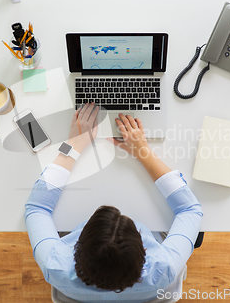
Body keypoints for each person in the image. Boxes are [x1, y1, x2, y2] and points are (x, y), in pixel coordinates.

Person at [25, 103, 203, 302]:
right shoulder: (163, 269)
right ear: (144, 251)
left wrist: (74, 145)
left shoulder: (55, 266)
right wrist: (143, 151)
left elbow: (37, 207)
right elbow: (190, 209)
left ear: (76, 247)